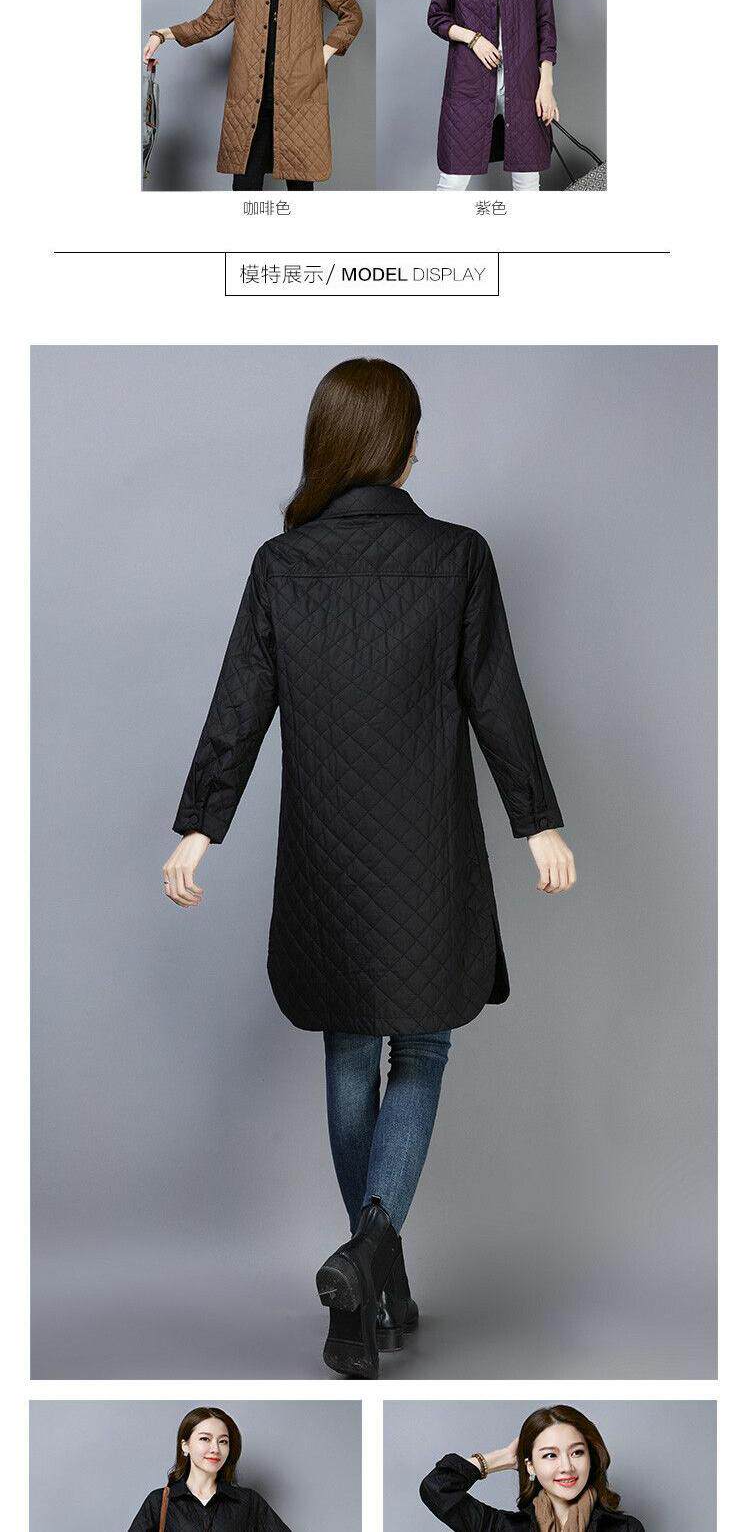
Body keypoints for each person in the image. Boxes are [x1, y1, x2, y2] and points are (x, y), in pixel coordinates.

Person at [163, 357, 575, 1379]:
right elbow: (496, 697)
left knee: (350, 1052)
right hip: (429, 851)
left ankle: (370, 1284)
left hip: (325, 855)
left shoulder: (282, 564)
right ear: (403, 445)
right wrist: (537, 824)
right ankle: (370, 1265)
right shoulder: (457, 556)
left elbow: (238, 709)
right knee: (420, 1051)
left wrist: (200, 830)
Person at [142, 0, 362, 190]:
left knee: (300, 186)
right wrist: (161, 35)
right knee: (245, 187)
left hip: (299, 96)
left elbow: (352, 14)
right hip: (251, 105)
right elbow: (209, 21)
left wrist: (323, 54)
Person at [420, 1405, 645, 1531]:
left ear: (591, 1458)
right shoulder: (504, 1528)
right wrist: (505, 1457)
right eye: (550, 1455)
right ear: (531, 1466)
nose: (566, 1467)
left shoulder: (625, 1529)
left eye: (577, 1452)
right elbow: (436, 1488)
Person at [427, 0, 558, 191]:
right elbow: (436, 16)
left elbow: (545, 23)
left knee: (527, 183)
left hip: (523, 85)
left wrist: (546, 85)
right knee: (453, 183)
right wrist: (473, 39)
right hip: (469, 84)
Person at [127, 1406, 291, 1530]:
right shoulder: (160, 1501)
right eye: (205, 1439)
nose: (215, 1449)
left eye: (223, 1441)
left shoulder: (248, 1502)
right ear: (185, 1446)